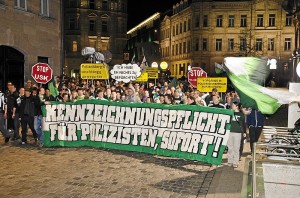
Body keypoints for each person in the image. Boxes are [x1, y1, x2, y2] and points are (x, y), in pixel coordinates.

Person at [227, 101, 245, 168]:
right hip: (230, 132)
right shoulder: (230, 113)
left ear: (237, 106)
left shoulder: (241, 114)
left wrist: (244, 132)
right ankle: (230, 160)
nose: (232, 106)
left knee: (236, 147)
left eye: (234, 105)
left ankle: (235, 162)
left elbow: (243, 124)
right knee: (230, 147)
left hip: (237, 132)